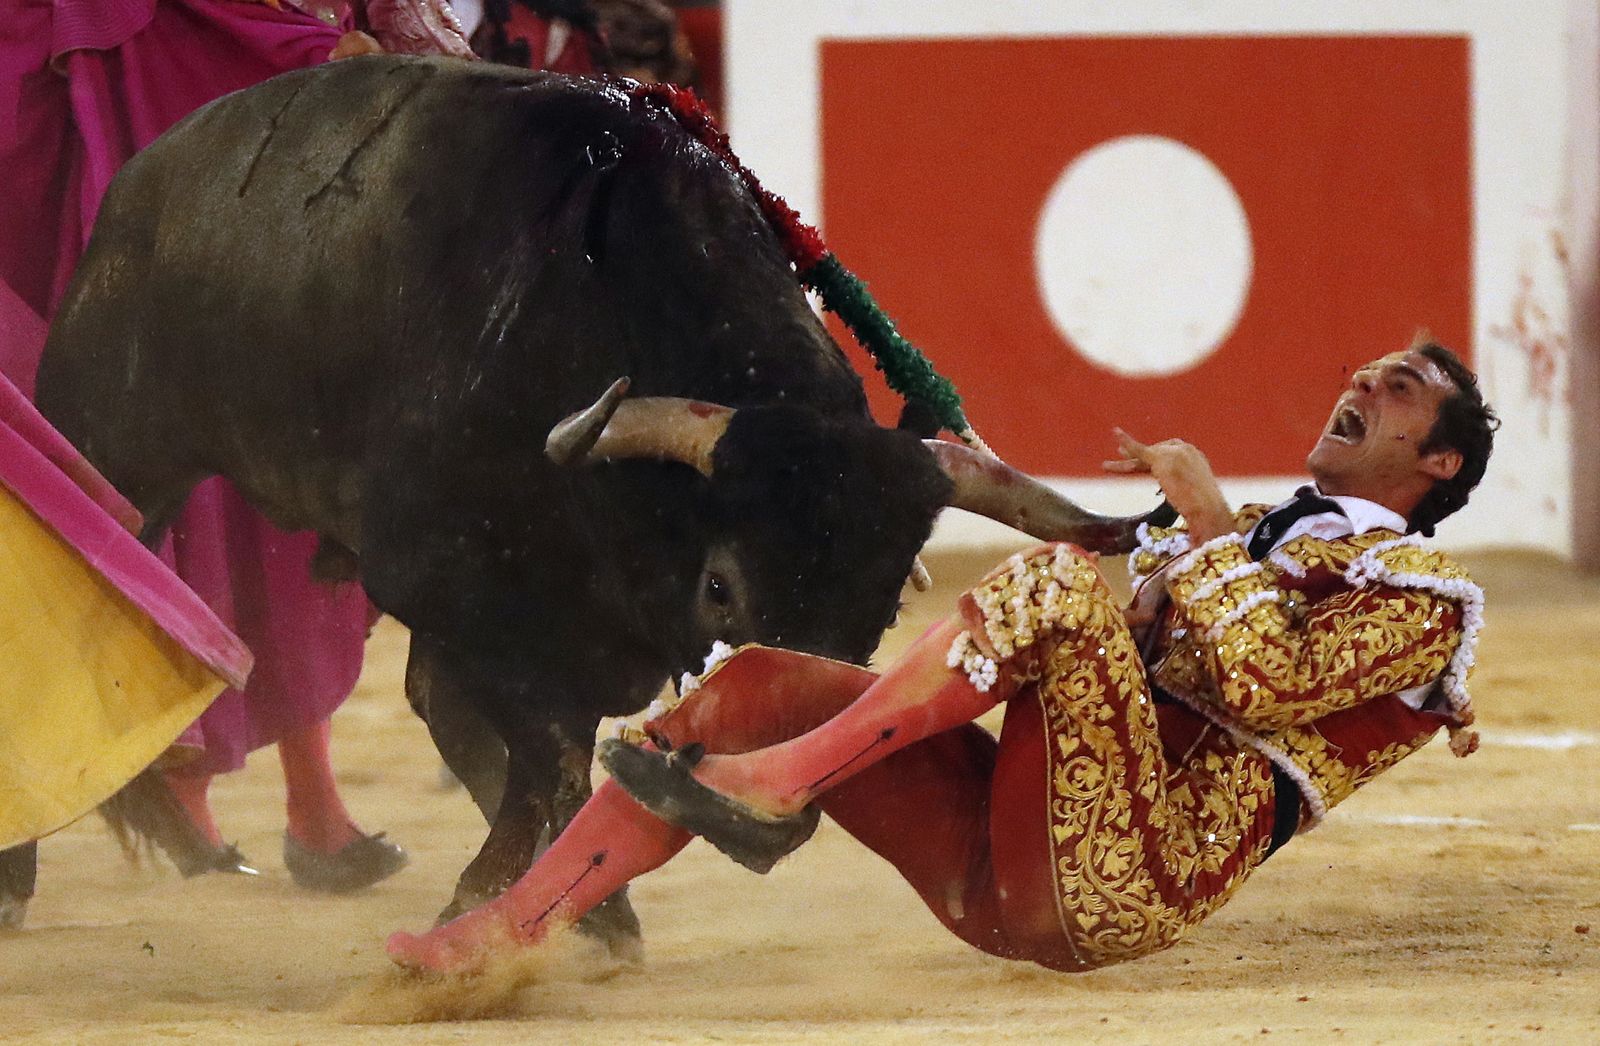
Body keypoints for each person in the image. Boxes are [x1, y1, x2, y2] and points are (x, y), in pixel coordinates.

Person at [384, 338, 1497, 973]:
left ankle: (776, 788)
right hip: (1002, 858)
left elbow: (1271, 681)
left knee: (1058, 592)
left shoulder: (1427, 600)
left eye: (1397, 389)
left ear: (1437, 459)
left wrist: (1202, 513)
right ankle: (505, 931)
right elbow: (1115, 606)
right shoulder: (1265, 530)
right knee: (757, 682)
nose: (1359, 382)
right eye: (1364, 370)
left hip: (1123, 878)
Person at [0, 0, 469, 890]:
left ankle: (306, 804)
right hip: (154, 88)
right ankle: (217, 799)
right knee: (188, 438)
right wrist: (309, 43)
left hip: (215, 77)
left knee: (274, 442)